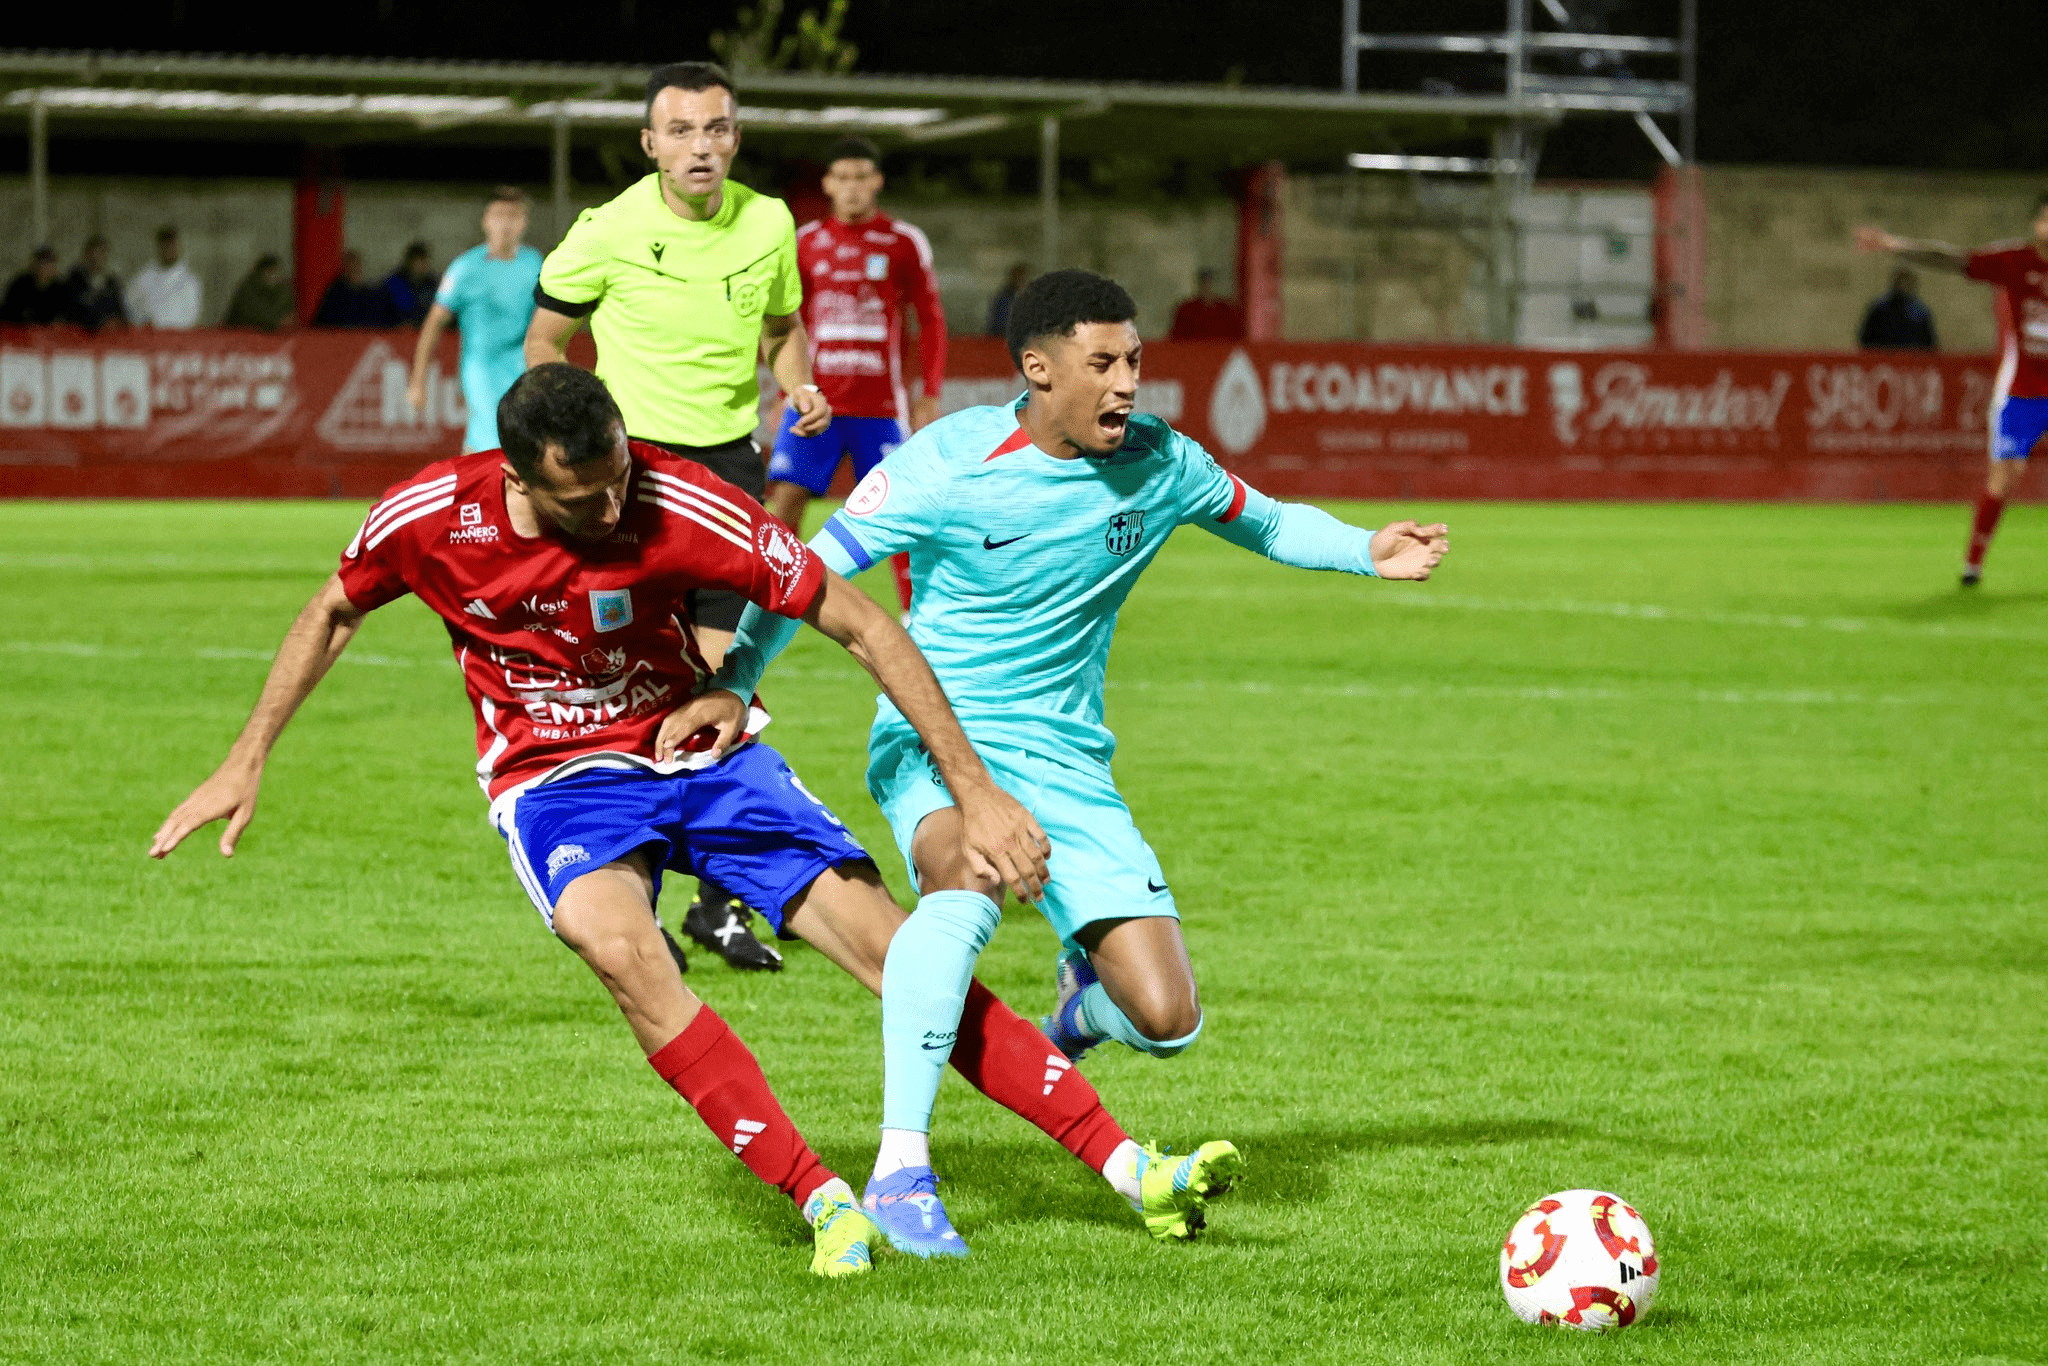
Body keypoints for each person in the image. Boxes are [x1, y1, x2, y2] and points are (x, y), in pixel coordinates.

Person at [149, 362, 1231, 1274]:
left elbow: (859, 621)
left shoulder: (680, 501)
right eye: (584, 499)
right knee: (617, 947)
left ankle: (1131, 1168)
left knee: (902, 955)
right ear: (519, 481)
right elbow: (336, 605)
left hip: (702, 754)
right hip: (556, 778)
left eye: (620, 477)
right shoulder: (432, 519)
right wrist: (246, 757)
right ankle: (821, 1200)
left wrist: (975, 788)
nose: (615, 509)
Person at [685, 269, 1448, 1250]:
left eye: (1133, 360)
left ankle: (1078, 1004)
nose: (1127, 383)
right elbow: (809, 573)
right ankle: (899, 1168)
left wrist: (1362, 549)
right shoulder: (948, 463)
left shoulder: (1159, 460)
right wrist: (735, 679)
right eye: (1102, 363)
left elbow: (1260, 517)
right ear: (1037, 370)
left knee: (1168, 1016)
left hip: (1067, 758)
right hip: (936, 735)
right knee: (964, 873)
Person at [526, 60, 830, 970]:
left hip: (730, 471)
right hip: (634, 478)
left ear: (736, 136)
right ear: (650, 142)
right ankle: (651, 892)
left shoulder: (770, 221)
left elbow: (781, 329)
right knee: (638, 681)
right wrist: (570, 430)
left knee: (718, 677)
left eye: (719, 129)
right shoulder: (606, 230)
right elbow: (546, 337)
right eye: (684, 130)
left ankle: (711, 900)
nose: (703, 146)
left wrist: (797, 381)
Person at [766, 135, 946, 611]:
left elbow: (930, 320)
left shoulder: (904, 241)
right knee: (783, 502)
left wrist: (929, 392)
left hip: (881, 407)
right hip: (814, 402)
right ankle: (765, 607)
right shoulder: (805, 243)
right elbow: (781, 323)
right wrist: (780, 392)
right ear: (827, 183)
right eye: (842, 177)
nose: (851, 188)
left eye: (861, 177)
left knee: (900, 511)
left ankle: (917, 613)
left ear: (877, 181)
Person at [1859, 200, 2048, 585]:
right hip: (2022, 391)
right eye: (2047, 217)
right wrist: (1897, 246)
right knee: (2005, 477)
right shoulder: (2015, 261)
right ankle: (1973, 564)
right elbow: (1954, 260)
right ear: (2036, 222)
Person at [408, 188, 542, 453]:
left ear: (524, 222)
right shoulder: (466, 268)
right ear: (486, 220)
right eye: (499, 215)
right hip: (481, 366)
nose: (506, 223)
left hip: (521, 365)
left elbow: (545, 320)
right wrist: (418, 379)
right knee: (493, 435)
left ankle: (470, 487)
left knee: (515, 438)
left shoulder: (534, 263)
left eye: (514, 216)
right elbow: (434, 323)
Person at [126, 225, 202, 329]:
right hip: (146, 337)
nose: (168, 250)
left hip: (176, 339)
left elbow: (190, 317)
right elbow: (130, 305)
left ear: (177, 246)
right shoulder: (143, 276)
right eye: (164, 245)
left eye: (171, 245)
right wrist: (144, 322)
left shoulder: (189, 282)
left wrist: (159, 324)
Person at [1857, 268, 1937, 350]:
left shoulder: (1920, 311)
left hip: (1912, 358)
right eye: (1900, 282)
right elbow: (1866, 338)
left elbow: (1929, 342)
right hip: (1884, 358)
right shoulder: (1880, 308)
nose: (1903, 286)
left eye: (1906, 283)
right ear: (1894, 283)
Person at [314, 251, 399, 328]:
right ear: (344, 268)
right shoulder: (337, 293)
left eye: (357, 267)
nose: (356, 269)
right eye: (352, 267)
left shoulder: (366, 292)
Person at [63, 236, 126, 330]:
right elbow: (71, 312)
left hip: (108, 338)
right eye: (97, 252)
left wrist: (115, 322)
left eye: (103, 252)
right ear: (86, 255)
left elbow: (120, 312)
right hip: (82, 336)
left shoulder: (112, 282)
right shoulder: (75, 279)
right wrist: (99, 324)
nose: (100, 257)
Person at [1168, 268, 1245, 341]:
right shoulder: (1186, 310)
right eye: (1204, 283)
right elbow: (1176, 339)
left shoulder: (1227, 311)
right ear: (1198, 286)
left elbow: (1237, 338)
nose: (1207, 287)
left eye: (1210, 283)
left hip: (1221, 352)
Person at [223, 254, 296, 331]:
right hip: (238, 332)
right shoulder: (249, 287)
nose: (274, 276)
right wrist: (278, 321)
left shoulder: (281, 288)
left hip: (263, 333)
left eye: (276, 272)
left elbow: (287, 309)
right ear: (261, 272)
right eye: (270, 272)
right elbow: (256, 314)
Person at [1, 246, 68, 324]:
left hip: (47, 333)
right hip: (21, 330)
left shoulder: (60, 288)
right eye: (42, 263)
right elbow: (8, 312)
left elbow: (62, 316)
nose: (45, 267)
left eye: (49, 263)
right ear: (34, 264)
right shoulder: (20, 285)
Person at [384, 241, 439, 327]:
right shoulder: (394, 283)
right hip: (397, 331)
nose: (423, 265)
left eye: (425, 260)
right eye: (420, 261)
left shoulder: (432, 284)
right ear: (410, 262)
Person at [985, 262, 1028, 338]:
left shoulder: (1025, 297)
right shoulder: (1005, 299)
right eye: (1021, 278)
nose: (1023, 281)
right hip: (1001, 340)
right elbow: (1001, 324)